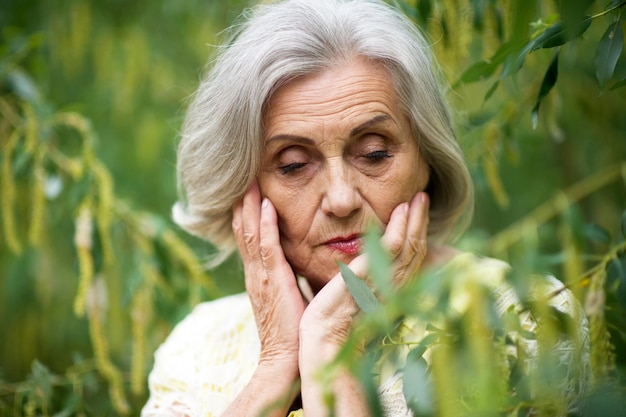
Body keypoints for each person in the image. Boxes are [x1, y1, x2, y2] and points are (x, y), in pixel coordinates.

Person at [142, 1, 588, 416]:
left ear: (427, 159)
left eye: (374, 154)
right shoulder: (197, 348)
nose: (341, 199)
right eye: (294, 165)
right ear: (246, 191)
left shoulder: (531, 321)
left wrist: (332, 350)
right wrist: (277, 364)